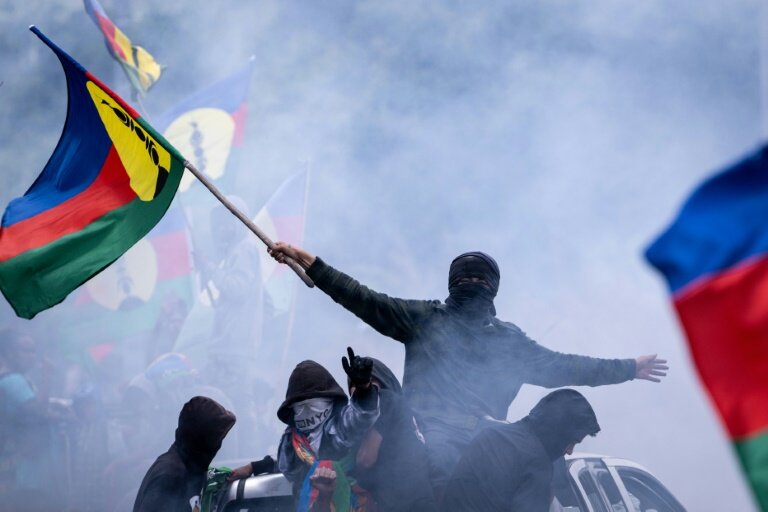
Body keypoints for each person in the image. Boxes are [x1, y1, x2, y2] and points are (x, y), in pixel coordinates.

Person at [268, 243, 668, 495]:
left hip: (487, 437)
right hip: (429, 438)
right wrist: (315, 268)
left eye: (478, 278)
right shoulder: (427, 319)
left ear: (491, 287)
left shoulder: (506, 340)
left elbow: (567, 367)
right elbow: (366, 300)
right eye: (467, 277)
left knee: (549, 469)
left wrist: (627, 368)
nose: (473, 283)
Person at [230, 347, 379, 512]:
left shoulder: (340, 425)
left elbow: (362, 416)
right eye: (301, 404)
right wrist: (254, 467)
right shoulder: (293, 439)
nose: (307, 410)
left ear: (329, 400)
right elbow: (284, 464)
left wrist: (364, 389)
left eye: (314, 402)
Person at [444, 389, 600, 512]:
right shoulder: (536, 464)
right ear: (558, 431)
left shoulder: (489, 435)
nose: (570, 451)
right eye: (571, 442)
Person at [350, 358, 437, 512]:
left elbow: (365, 460)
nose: (365, 395)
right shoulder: (408, 413)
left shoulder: (385, 398)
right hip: (421, 501)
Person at [0, 328, 73, 511]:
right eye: (26, 351)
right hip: (25, 461)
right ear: (10, 353)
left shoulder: (20, 379)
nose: (32, 356)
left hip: (32, 459)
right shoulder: (11, 380)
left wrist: (56, 411)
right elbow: (37, 411)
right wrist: (47, 375)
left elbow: (36, 409)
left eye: (33, 351)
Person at [132, 395, 236, 512]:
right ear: (202, 440)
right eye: (217, 439)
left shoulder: (185, 467)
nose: (218, 446)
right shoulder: (172, 475)